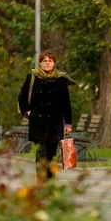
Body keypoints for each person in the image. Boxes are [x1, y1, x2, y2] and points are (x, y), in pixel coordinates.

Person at [18, 52, 73, 182]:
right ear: (40, 63)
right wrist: (27, 112)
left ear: (54, 63)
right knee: (41, 152)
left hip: (55, 122)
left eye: (50, 60)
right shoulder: (32, 77)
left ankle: (51, 179)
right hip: (38, 121)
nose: (47, 63)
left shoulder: (61, 79)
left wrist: (68, 123)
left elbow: (66, 102)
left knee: (52, 153)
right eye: (44, 60)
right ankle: (41, 180)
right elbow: (22, 97)